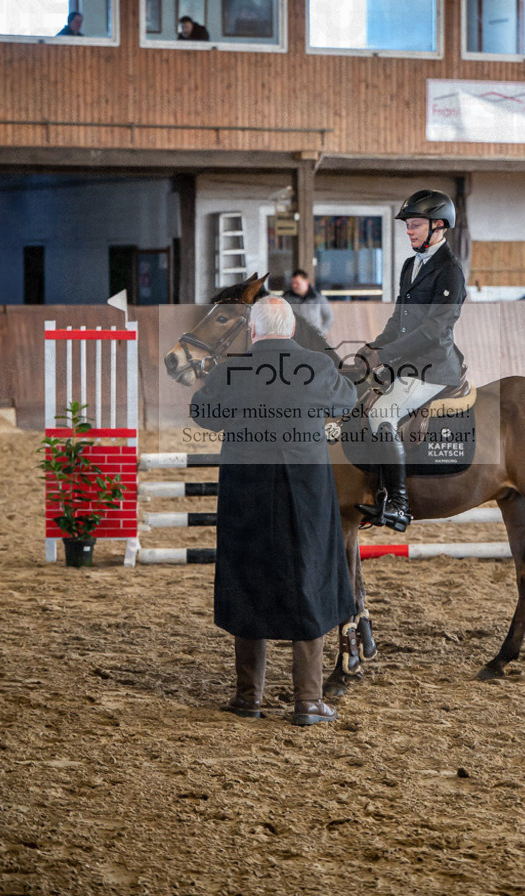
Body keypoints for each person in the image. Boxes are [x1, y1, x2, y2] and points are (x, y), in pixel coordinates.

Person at [191, 295, 357, 726]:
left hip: (246, 495)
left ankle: (249, 697)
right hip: (305, 497)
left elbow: (202, 413)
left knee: (248, 581)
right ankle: (308, 701)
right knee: (311, 581)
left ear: (253, 331)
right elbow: (347, 402)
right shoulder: (317, 367)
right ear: (290, 330)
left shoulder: (233, 369)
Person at [355, 190, 467, 532]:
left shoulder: (450, 271)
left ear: (439, 226)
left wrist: (386, 355)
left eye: (415, 225)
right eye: (408, 226)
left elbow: (434, 330)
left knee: (381, 412)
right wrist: (371, 349)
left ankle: (400, 506)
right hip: (406, 362)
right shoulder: (410, 265)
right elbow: (398, 320)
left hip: (433, 366)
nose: (410, 231)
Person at [282, 268, 334, 334]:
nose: (294, 286)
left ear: (306, 282)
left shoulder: (318, 298)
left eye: (297, 283)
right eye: (293, 283)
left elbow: (329, 318)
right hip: (294, 338)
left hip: (313, 338)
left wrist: (321, 333)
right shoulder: (286, 299)